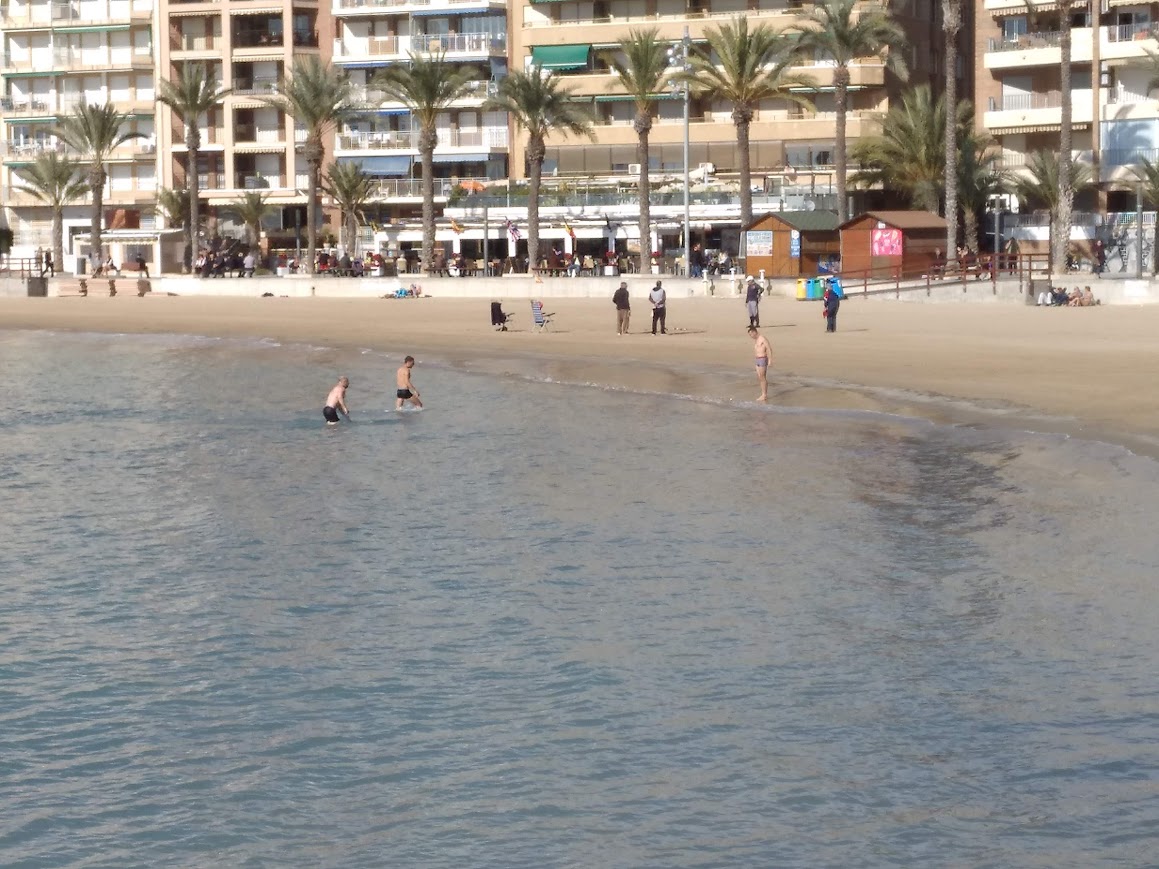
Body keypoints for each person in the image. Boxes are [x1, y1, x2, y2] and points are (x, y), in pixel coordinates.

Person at [748, 325, 772, 402]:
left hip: (762, 359)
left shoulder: (762, 339)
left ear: (755, 332)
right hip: (757, 359)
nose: (751, 336)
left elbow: (769, 348)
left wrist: (770, 360)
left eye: (751, 334)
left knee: (762, 377)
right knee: (760, 377)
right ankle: (763, 394)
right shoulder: (757, 340)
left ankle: (764, 395)